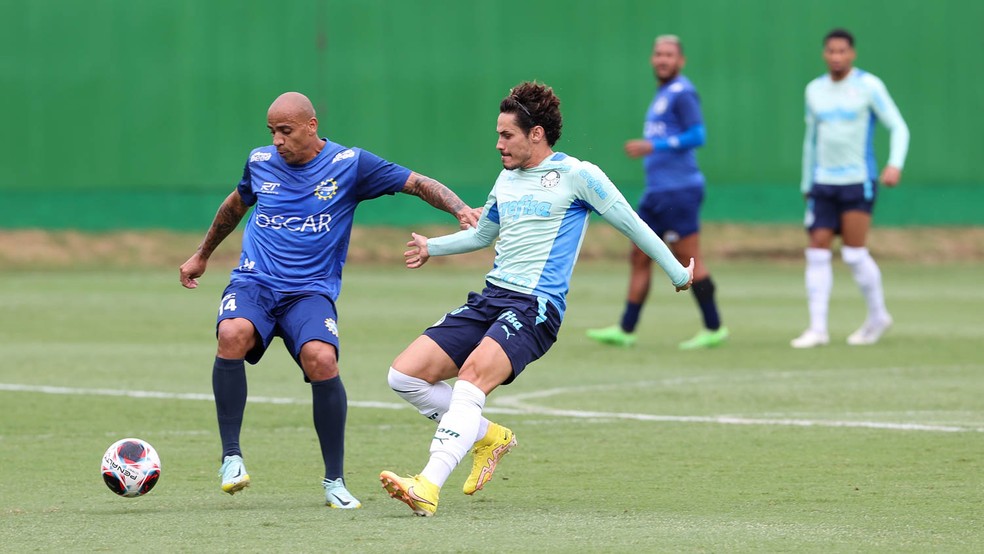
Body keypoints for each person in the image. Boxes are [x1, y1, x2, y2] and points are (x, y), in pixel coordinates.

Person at [378, 81, 694, 517]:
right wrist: (434, 246)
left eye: (506, 135)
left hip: (535, 306)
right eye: (498, 134)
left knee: (471, 379)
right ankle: (488, 437)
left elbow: (633, 225)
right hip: (493, 296)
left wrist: (677, 271)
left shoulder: (579, 175)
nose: (498, 144)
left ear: (537, 134)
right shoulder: (506, 178)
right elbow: (484, 234)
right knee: (405, 376)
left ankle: (427, 485)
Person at [178, 91, 479, 508]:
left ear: (311, 126)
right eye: (272, 132)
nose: (278, 140)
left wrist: (459, 208)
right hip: (255, 284)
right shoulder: (260, 163)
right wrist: (202, 254)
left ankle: (334, 481)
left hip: (310, 293)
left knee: (322, 359)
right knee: (232, 333)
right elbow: (235, 204)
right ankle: (231, 457)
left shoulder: (349, 164)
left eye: (285, 131)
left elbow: (416, 183)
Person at [586, 35, 727, 351]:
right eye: (658, 54)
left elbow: (698, 135)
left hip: (680, 191)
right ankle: (626, 329)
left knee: (689, 257)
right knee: (639, 255)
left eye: (669, 55)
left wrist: (655, 145)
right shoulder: (663, 93)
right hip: (657, 192)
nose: (663, 59)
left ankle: (714, 327)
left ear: (681, 61)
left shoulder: (683, 92)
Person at [791, 28, 909, 348]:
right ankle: (818, 329)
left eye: (842, 51)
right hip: (823, 182)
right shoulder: (814, 90)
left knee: (854, 254)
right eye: (831, 51)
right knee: (816, 251)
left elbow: (898, 126)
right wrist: (807, 181)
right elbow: (810, 140)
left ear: (852, 54)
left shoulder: (868, 86)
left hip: (858, 181)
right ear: (824, 54)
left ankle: (877, 317)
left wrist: (894, 163)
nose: (836, 57)